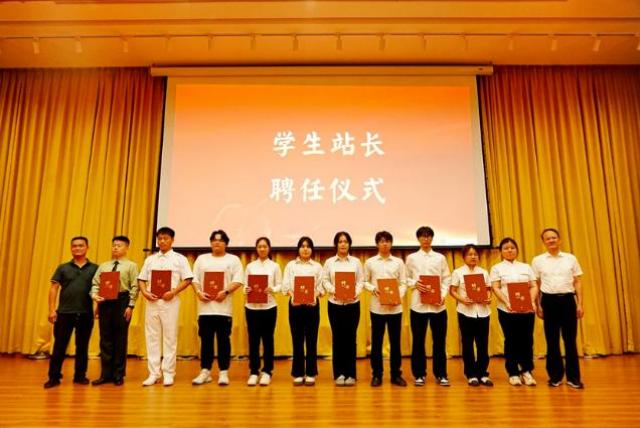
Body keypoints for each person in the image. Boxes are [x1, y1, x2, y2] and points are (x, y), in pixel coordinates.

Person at [138, 227, 193, 387]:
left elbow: (188, 279)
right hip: (152, 301)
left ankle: (169, 373)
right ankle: (154, 373)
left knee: (169, 337)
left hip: (170, 302)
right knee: (152, 337)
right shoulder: (150, 259)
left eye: (165, 238)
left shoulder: (179, 259)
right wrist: (145, 292)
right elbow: (141, 279)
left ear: (172, 240)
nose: (162, 241)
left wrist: (174, 292)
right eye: (160, 238)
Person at [531, 228, 585, 389]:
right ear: (543, 242)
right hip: (549, 301)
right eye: (548, 238)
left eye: (554, 237)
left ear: (559, 239)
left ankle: (573, 378)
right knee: (552, 340)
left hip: (568, 300)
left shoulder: (570, 258)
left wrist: (580, 303)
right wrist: (538, 305)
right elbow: (536, 284)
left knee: (570, 340)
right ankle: (555, 376)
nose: (551, 240)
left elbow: (578, 282)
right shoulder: (538, 260)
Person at [44, 236, 98, 389]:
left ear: (87, 248)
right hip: (64, 313)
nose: (77, 248)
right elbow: (53, 288)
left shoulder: (95, 268)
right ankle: (54, 377)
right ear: (71, 248)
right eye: (74, 246)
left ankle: (80, 376)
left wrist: (98, 308)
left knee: (82, 346)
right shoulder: (63, 268)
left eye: (81, 245)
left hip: (86, 313)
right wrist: (51, 310)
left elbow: (100, 290)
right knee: (59, 346)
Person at [191, 230, 244, 386]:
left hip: (223, 309)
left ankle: (223, 372)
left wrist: (226, 291)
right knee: (206, 340)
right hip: (205, 309)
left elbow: (238, 280)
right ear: (210, 243)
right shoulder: (202, 259)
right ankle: (205, 371)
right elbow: (194, 279)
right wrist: (199, 292)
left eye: (220, 240)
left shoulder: (233, 260)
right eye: (214, 240)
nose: (217, 243)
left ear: (226, 243)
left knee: (223, 341)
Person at [405, 226, 451, 387]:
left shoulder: (440, 258)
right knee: (418, 341)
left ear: (432, 238)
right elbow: (405, 278)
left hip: (438, 306)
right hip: (418, 305)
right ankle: (419, 374)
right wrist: (415, 283)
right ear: (418, 239)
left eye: (428, 236)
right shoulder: (411, 258)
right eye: (423, 236)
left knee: (439, 341)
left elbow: (447, 279)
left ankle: (441, 374)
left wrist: (442, 296)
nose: (426, 239)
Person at [90, 235, 139, 386]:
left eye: (119, 245)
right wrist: (95, 296)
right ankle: (105, 374)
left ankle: (118, 374)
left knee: (120, 339)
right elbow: (95, 284)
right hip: (105, 302)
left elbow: (135, 286)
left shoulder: (131, 266)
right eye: (114, 245)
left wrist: (130, 306)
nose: (115, 248)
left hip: (122, 301)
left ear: (126, 248)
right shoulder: (103, 266)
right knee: (105, 339)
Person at [490, 237, 537, 387]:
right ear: (501, 251)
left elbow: (533, 286)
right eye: (506, 248)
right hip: (507, 310)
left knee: (527, 340)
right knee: (511, 340)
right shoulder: (497, 268)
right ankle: (513, 372)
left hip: (526, 309)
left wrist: (531, 301)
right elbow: (495, 287)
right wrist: (507, 302)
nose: (509, 250)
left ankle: (527, 371)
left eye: (512, 247)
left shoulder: (526, 267)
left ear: (517, 250)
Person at [363, 231, 408, 387]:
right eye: (382, 241)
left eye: (387, 241)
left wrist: (397, 296)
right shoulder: (370, 262)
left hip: (395, 309)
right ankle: (377, 375)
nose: (385, 244)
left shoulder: (398, 262)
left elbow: (403, 283)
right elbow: (364, 281)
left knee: (395, 342)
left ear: (391, 244)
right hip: (377, 308)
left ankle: (396, 374)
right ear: (377, 244)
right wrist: (373, 289)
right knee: (377, 342)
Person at [322, 231, 364, 386]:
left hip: (353, 305)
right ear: (336, 244)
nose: (343, 244)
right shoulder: (329, 262)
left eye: (345, 241)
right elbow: (325, 281)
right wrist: (335, 291)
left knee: (350, 339)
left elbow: (361, 281)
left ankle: (351, 374)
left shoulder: (356, 262)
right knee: (338, 338)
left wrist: (354, 293)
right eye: (340, 241)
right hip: (335, 305)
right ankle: (339, 374)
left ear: (349, 244)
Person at [282, 236, 324, 386]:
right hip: (295, 306)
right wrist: (294, 296)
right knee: (297, 340)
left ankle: (311, 373)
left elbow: (321, 287)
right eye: (302, 246)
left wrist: (314, 295)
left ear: (312, 249)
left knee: (312, 340)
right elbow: (285, 286)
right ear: (298, 249)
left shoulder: (317, 266)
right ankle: (298, 373)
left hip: (312, 307)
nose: (305, 249)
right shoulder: (291, 265)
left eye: (308, 246)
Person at [450, 244, 493, 387]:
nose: (473, 257)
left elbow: (488, 289)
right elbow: (452, 291)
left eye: (475, 254)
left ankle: (483, 373)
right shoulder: (458, 272)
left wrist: (488, 298)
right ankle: (471, 374)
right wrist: (462, 300)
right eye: (470, 254)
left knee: (483, 343)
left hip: (483, 311)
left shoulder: (484, 272)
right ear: (464, 257)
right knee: (467, 343)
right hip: (465, 312)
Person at [243, 237, 281, 387]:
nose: (262, 249)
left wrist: (273, 289)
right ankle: (254, 371)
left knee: (268, 340)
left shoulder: (275, 266)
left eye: (265, 246)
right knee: (253, 340)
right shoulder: (250, 266)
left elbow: (280, 285)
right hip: (251, 308)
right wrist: (246, 289)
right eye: (259, 246)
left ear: (269, 248)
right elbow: (245, 285)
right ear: (256, 249)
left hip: (269, 308)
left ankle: (267, 371)